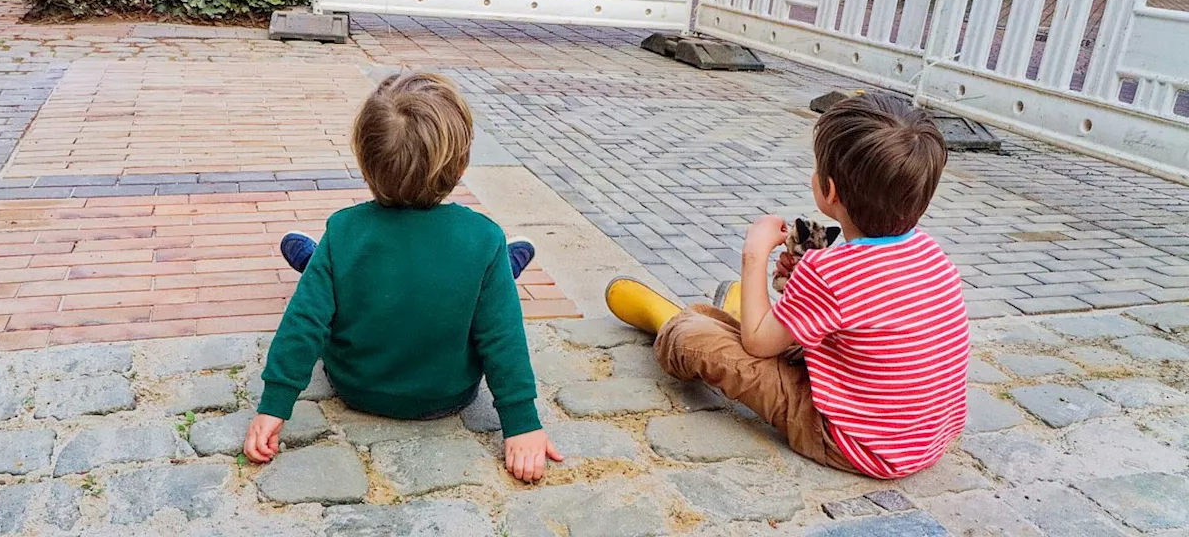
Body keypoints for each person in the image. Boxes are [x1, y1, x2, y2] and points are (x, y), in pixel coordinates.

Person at [605, 93, 968, 479]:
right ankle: (739, 313)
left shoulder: (830, 272)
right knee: (768, 328)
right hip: (923, 438)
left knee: (696, 339)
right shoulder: (929, 251)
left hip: (854, 441)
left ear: (828, 191)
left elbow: (759, 346)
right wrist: (798, 280)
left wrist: (754, 253)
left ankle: (670, 322)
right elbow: (862, 308)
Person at [243, 72, 561, 482]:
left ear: (364, 159)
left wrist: (274, 406)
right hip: (448, 396)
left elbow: (304, 324)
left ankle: (311, 258)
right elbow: (502, 337)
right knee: (487, 278)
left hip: (356, 387)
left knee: (334, 271)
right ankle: (509, 264)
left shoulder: (344, 230)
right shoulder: (482, 237)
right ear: (460, 164)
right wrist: (521, 423)